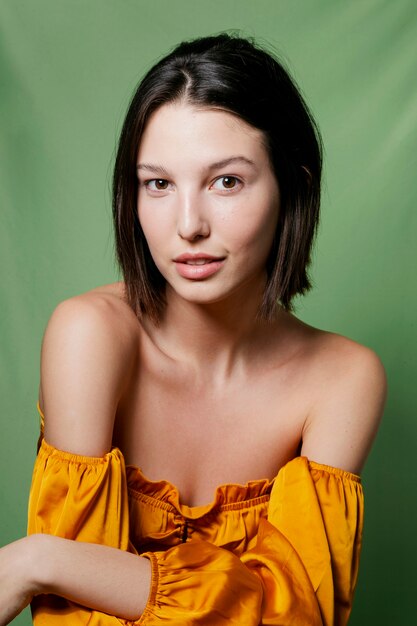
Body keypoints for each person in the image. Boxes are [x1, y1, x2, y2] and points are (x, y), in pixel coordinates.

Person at [0, 33, 386, 625]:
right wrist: (241, 595)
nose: (188, 225)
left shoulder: (343, 378)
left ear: (294, 186)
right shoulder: (92, 337)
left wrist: (41, 559)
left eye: (225, 181)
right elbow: (75, 620)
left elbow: (298, 617)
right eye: (158, 184)